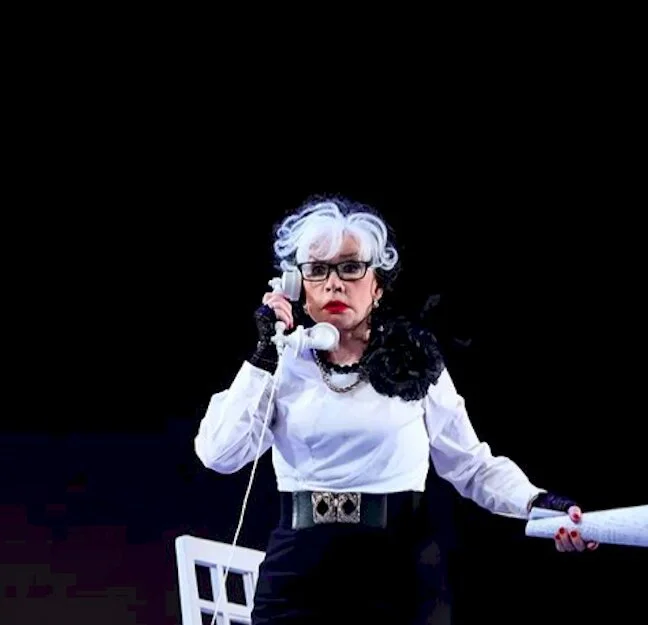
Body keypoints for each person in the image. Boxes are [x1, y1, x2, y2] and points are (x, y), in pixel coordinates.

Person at [194, 196, 598, 625]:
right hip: (299, 571)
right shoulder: (281, 361)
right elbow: (218, 454)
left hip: (400, 571)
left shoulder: (415, 361)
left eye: (351, 267)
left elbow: (472, 466)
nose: (334, 284)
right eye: (317, 270)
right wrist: (262, 356)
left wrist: (537, 502)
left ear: (378, 285)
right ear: (295, 286)